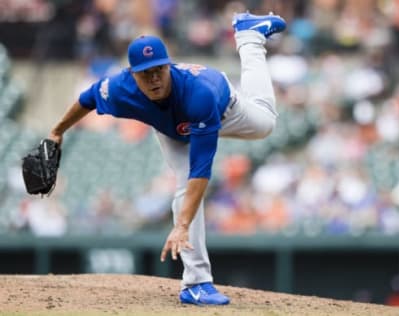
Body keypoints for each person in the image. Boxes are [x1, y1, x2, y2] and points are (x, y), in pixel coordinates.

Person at [47, 12, 286, 305]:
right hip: (170, 128)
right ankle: (196, 284)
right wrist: (57, 132)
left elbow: (202, 170)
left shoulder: (200, 95)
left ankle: (249, 38)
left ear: (168, 65)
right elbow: (87, 99)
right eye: (145, 72)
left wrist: (182, 225)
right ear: (132, 75)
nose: (154, 78)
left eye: (159, 69)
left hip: (222, 110)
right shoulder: (121, 89)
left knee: (265, 125)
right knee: (184, 187)